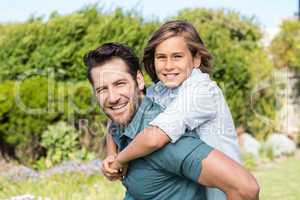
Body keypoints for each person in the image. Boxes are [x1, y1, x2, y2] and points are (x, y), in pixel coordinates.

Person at [84, 42, 259, 200]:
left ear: (138, 80)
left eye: (120, 84)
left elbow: (245, 188)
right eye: (102, 90)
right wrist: (112, 155)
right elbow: (113, 123)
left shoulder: (164, 140)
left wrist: (119, 159)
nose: (112, 97)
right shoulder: (125, 114)